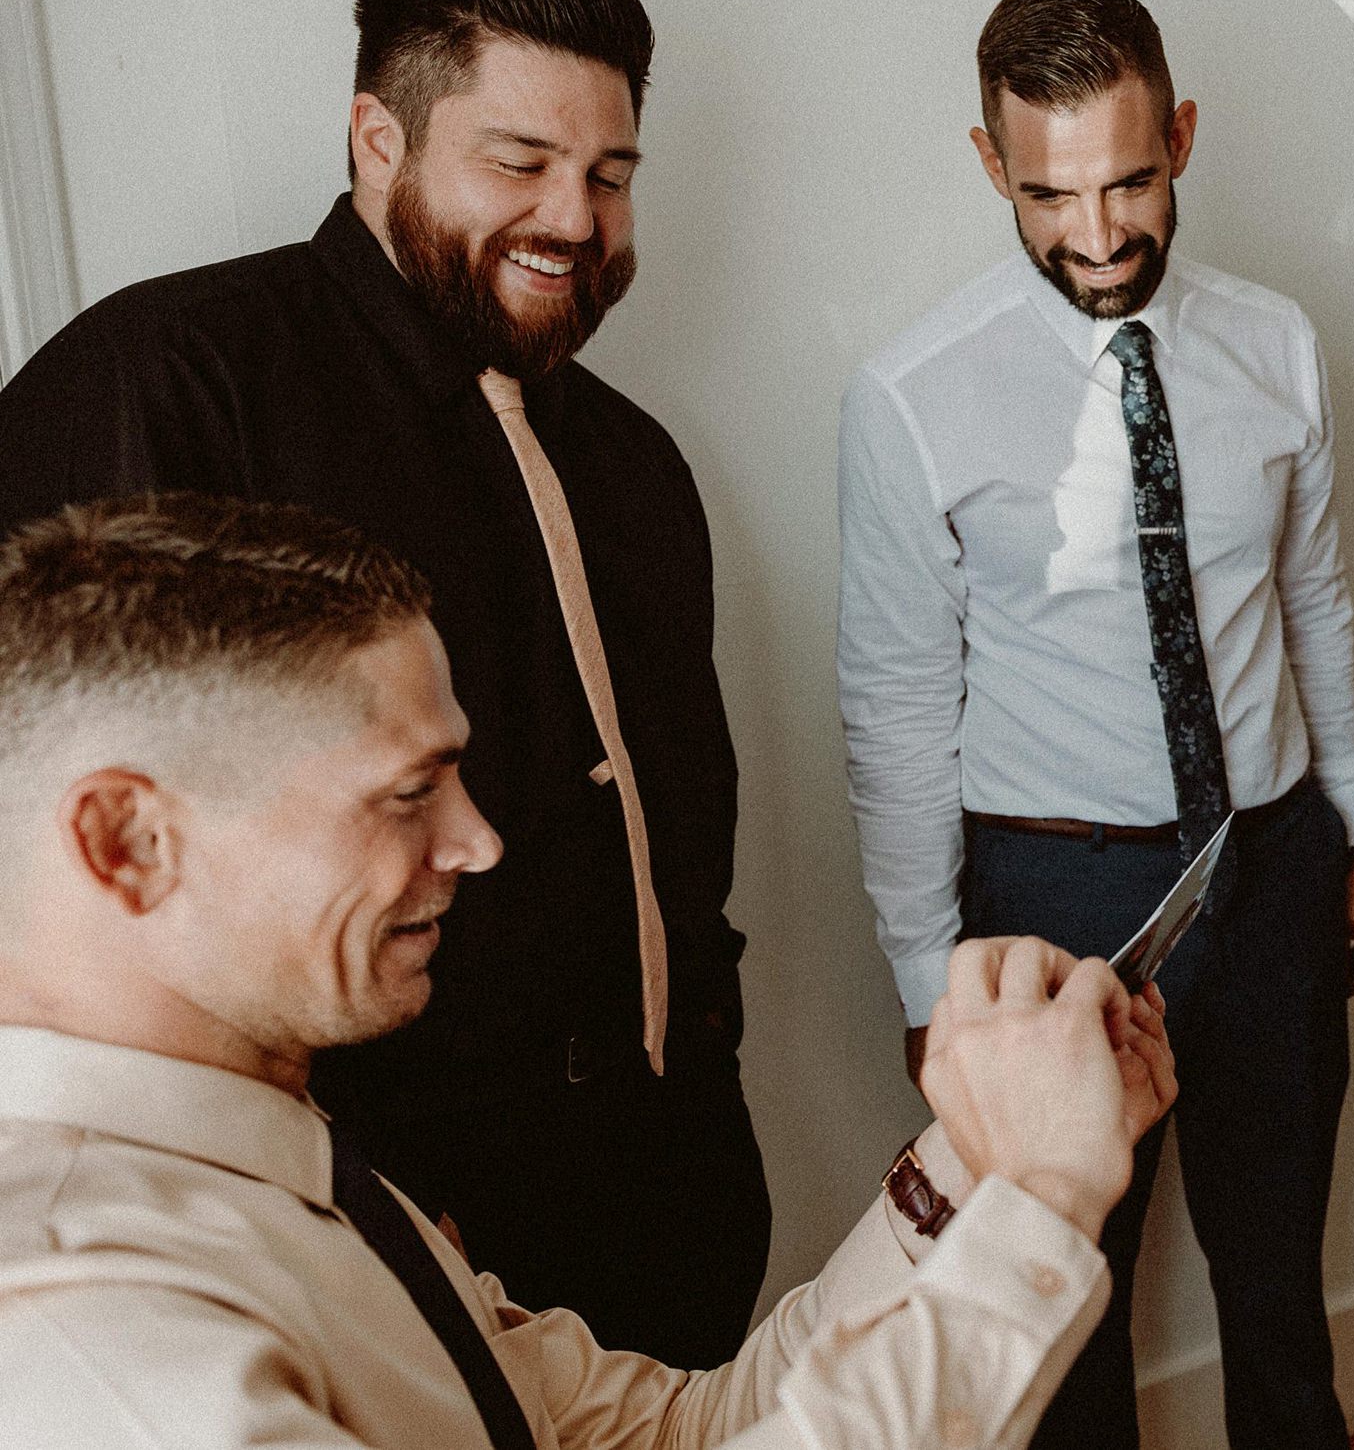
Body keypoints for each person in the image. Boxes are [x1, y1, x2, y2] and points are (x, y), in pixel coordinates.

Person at [0, 492, 1178, 1449]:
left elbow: (682, 1431)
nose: (477, 842)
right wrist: (1042, 1202)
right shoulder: (81, 1337)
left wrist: (969, 1168)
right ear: (129, 842)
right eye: (410, 793)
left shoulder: (280, 1156)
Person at [0, 0, 766, 1364]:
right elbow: (59, 879)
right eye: (521, 162)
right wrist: (330, 1200)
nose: (575, 220)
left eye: (610, 175)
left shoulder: (641, 461)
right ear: (376, 139)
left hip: (674, 1187)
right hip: (373, 1233)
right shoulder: (167, 381)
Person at [837, 0, 1354, 1450]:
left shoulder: (1278, 343)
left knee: (1278, 1281)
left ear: (1183, 134)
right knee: (1058, 1315)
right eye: (1052, 194)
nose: (1099, 233)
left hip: (1269, 865)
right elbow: (893, 707)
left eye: (1132, 179)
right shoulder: (912, 397)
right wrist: (919, 977)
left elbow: (1314, 602)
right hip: (1047, 894)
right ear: (989, 163)